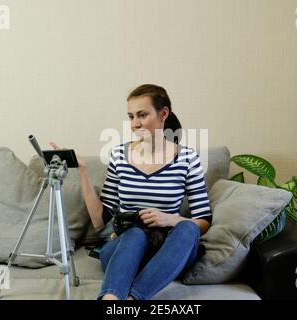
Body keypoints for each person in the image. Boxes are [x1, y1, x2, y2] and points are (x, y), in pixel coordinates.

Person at [50, 84, 212, 300]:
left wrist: (170, 219)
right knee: (135, 235)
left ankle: (132, 300)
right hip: (124, 251)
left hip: (167, 254)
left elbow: (203, 221)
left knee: (188, 229)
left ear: (163, 114)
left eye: (142, 115)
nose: (135, 124)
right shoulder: (119, 155)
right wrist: (82, 171)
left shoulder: (187, 159)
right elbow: (99, 221)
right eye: (131, 116)